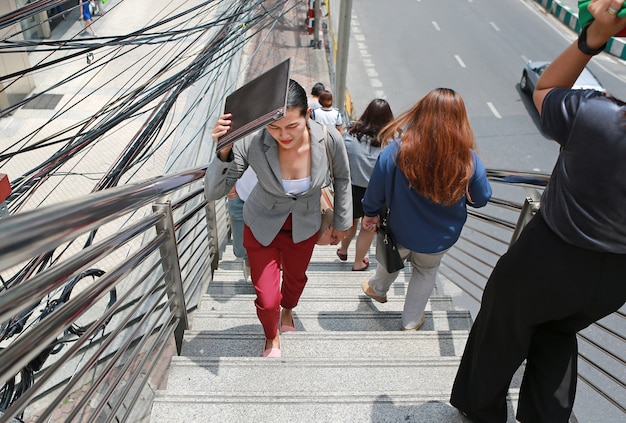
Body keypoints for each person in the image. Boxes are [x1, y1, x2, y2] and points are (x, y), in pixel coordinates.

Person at [450, 1, 626, 421]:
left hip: (551, 255)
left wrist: (591, 39)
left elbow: (544, 89)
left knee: (501, 326)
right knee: (558, 329)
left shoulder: (597, 115)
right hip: (614, 279)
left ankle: (482, 408)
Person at [204, 79, 352, 358]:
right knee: (266, 296)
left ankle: (289, 310)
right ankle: (271, 336)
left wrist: (342, 223)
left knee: (295, 281)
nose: (283, 135)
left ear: (307, 115)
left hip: (304, 224)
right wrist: (223, 148)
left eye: (292, 126)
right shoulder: (253, 141)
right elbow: (214, 190)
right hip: (261, 224)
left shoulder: (329, 137)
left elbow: (343, 178)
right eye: (274, 127)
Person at [360, 88, 492, 331]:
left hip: (401, 228)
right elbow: (482, 198)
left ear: (421, 113)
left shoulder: (397, 150)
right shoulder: (468, 160)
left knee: (394, 256)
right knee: (426, 270)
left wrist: (370, 213)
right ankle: (411, 320)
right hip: (440, 237)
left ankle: (377, 288)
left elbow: (376, 188)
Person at [335, 98, 394, 271]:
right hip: (376, 193)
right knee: (368, 228)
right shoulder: (389, 144)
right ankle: (358, 262)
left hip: (351, 189)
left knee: (351, 222)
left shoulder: (350, 137)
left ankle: (344, 249)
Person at [227, 167, 257, 282]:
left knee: (271, 244)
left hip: (269, 199)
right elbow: (223, 157)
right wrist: (231, 191)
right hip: (240, 197)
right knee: (240, 249)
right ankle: (248, 260)